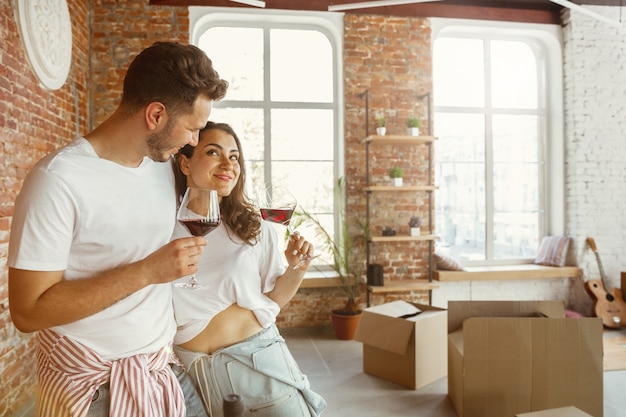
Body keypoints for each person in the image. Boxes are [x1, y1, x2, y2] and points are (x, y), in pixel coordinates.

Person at [7, 41, 229, 417]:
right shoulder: (58, 180)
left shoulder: (160, 167)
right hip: (95, 389)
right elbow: (27, 312)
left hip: (162, 371)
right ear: (156, 115)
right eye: (192, 129)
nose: (194, 141)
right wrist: (147, 272)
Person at [171, 121, 327, 417]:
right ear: (185, 163)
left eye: (234, 156)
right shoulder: (162, 227)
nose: (227, 163)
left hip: (258, 365)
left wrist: (298, 267)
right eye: (214, 152)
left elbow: (274, 297)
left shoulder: (254, 225)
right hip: (197, 378)